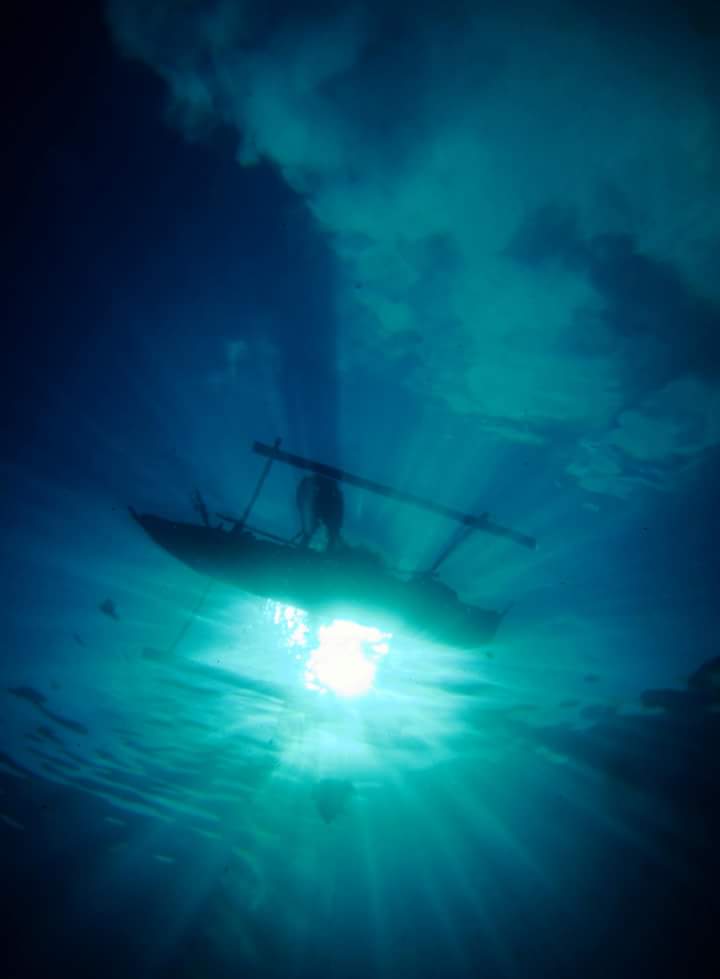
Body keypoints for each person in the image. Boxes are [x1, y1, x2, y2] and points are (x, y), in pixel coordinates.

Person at [296, 474, 344, 552]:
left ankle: (329, 548)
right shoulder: (310, 484)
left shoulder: (334, 492)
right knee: (309, 534)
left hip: (325, 510)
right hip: (320, 509)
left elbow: (338, 509)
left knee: (310, 534)